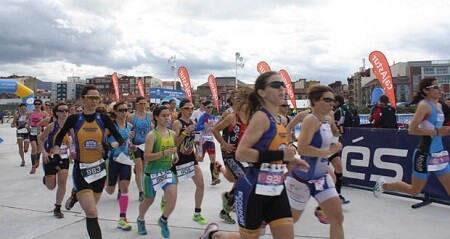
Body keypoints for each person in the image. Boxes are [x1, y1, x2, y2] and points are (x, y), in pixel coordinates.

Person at [53, 85, 124, 239]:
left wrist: (109, 145)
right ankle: (77, 194)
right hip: (81, 169)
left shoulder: (103, 118)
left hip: (99, 170)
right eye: (91, 98)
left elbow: (120, 139)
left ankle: (75, 196)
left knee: (92, 208)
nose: (94, 101)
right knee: (91, 212)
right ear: (82, 99)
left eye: (97, 98)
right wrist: (57, 154)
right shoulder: (74, 119)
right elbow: (59, 138)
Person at [235, 71, 299, 239]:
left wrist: (292, 161)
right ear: (262, 92)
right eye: (276, 85)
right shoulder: (261, 117)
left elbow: (277, 151)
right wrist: (281, 154)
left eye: (283, 84)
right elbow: (241, 153)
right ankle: (214, 235)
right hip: (254, 190)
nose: (282, 88)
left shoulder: (280, 119)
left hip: (276, 187)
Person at [373, 77, 450, 198]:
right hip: (424, 154)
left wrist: (444, 131)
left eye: (439, 86)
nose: (439, 89)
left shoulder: (439, 106)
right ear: (426, 90)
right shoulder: (424, 105)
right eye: (436, 87)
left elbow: (439, 128)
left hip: (439, 154)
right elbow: (412, 130)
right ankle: (383, 185)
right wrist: (437, 132)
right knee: (415, 190)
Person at [285, 84, 345, 239]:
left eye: (333, 100)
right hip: (301, 180)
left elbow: (334, 132)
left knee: (337, 217)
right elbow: (303, 149)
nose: (332, 103)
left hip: (320, 178)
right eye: (327, 100)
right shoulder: (309, 119)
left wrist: (337, 132)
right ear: (315, 101)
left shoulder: (327, 118)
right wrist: (330, 150)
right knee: (291, 221)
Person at [212, 86, 252, 225]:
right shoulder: (231, 117)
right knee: (243, 178)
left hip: (243, 155)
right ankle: (229, 201)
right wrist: (224, 144)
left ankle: (226, 207)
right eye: (236, 101)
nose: (238, 103)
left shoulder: (250, 118)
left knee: (242, 180)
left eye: (241, 100)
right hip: (231, 155)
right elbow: (215, 130)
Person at [137, 106, 178, 238]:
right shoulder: (152, 135)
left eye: (168, 115)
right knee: (148, 200)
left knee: (173, 195)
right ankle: (140, 219)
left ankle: (163, 220)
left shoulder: (172, 133)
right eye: (164, 115)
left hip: (166, 172)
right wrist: (163, 153)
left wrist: (174, 154)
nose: (167, 118)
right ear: (156, 117)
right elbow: (146, 157)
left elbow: (172, 147)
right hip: (151, 174)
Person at [171, 99, 208, 225]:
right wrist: (186, 132)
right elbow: (174, 143)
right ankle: (165, 200)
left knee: (201, 184)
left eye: (192, 108)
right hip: (178, 159)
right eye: (187, 108)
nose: (190, 110)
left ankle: (197, 213)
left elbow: (195, 140)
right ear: (181, 109)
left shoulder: (193, 122)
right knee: (172, 190)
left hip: (190, 158)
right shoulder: (177, 123)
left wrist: (198, 146)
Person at [104, 101, 134, 231]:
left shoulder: (130, 126)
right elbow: (102, 143)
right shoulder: (110, 127)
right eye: (121, 110)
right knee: (110, 190)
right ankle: (103, 180)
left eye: (126, 110)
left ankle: (122, 218)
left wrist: (131, 147)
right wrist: (110, 146)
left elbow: (129, 142)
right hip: (113, 159)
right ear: (115, 112)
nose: (124, 112)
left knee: (124, 187)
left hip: (126, 160)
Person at [38, 102, 70, 219]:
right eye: (61, 111)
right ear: (56, 113)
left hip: (64, 158)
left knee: (62, 182)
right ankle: (46, 179)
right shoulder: (51, 126)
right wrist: (44, 153)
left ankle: (57, 207)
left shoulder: (70, 127)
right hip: (50, 158)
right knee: (51, 186)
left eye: (66, 110)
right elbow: (40, 140)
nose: (64, 113)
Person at [128, 96, 153, 202]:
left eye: (144, 104)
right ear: (136, 105)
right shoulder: (131, 117)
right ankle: (141, 192)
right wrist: (129, 141)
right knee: (139, 168)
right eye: (141, 104)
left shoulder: (150, 115)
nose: (143, 106)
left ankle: (146, 188)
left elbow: (152, 128)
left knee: (146, 168)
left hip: (147, 145)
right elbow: (127, 129)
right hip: (136, 145)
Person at [195, 100, 222, 186]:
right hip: (203, 141)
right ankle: (188, 166)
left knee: (213, 159)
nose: (210, 109)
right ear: (204, 108)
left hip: (210, 140)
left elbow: (218, 126)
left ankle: (214, 179)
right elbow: (197, 128)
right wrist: (205, 126)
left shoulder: (214, 117)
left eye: (211, 107)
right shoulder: (203, 117)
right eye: (208, 107)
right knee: (199, 159)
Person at [29, 99, 48, 174]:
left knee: (39, 148)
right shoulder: (31, 113)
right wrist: (27, 125)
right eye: (36, 104)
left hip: (41, 130)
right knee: (34, 147)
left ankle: (37, 159)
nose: (37, 105)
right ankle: (33, 166)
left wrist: (42, 120)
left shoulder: (44, 113)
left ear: (41, 105)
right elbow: (26, 121)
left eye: (38, 104)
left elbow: (48, 123)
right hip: (33, 130)